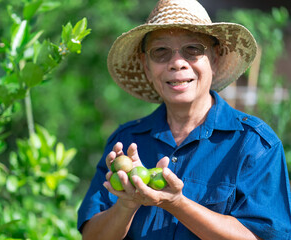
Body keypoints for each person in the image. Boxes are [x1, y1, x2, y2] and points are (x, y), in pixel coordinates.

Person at [77, 0, 291, 239]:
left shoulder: (254, 144)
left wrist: (177, 203)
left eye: (193, 49)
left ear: (215, 58)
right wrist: (126, 204)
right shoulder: (125, 141)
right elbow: (91, 236)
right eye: (161, 52)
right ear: (146, 67)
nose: (177, 63)